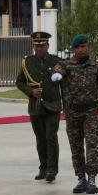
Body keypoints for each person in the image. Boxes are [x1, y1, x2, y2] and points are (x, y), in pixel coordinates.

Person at [51, 34, 98, 194]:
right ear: (74, 49)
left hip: (91, 112)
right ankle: (81, 179)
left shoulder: (97, 66)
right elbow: (58, 68)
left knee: (92, 146)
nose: (81, 49)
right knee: (76, 147)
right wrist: (56, 73)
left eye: (84, 46)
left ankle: (91, 178)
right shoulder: (66, 65)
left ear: (88, 47)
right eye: (78, 47)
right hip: (72, 113)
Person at [16, 31, 62, 183]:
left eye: (42, 45)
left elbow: (64, 85)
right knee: (41, 139)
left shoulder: (56, 62)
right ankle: (43, 168)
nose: (40, 48)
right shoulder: (27, 62)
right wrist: (31, 91)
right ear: (34, 46)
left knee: (51, 137)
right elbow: (20, 82)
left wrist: (67, 105)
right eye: (37, 45)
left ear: (48, 45)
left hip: (53, 105)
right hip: (36, 107)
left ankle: (52, 170)